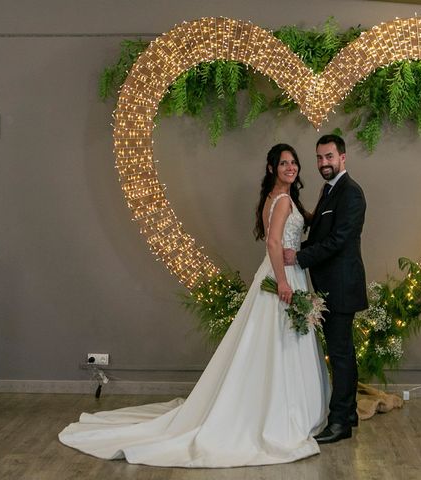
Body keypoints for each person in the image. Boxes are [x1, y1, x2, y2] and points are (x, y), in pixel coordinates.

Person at [58, 144, 329, 468]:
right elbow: (274, 242)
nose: (291, 167)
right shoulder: (283, 200)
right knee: (279, 341)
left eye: (294, 162)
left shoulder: (275, 198)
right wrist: (284, 282)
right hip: (283, 275)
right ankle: (282, 411)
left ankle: (265, 403)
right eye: (284, 163)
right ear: (272, 168)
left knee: (269, 343)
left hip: (276, 271)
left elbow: (292, 230)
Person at [284, 134, 368, 444]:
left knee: (340, 354)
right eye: (319, 158)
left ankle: (339, 424)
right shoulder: (329, 190)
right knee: (343, 352)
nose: (323, 163)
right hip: (331, 284)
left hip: (342, 286)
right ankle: (349, 414)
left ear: (342, 157)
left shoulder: (351, 194)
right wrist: (302, 247)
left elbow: (339, 240)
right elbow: (323, 234)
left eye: (329, 157)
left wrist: (300, 256)